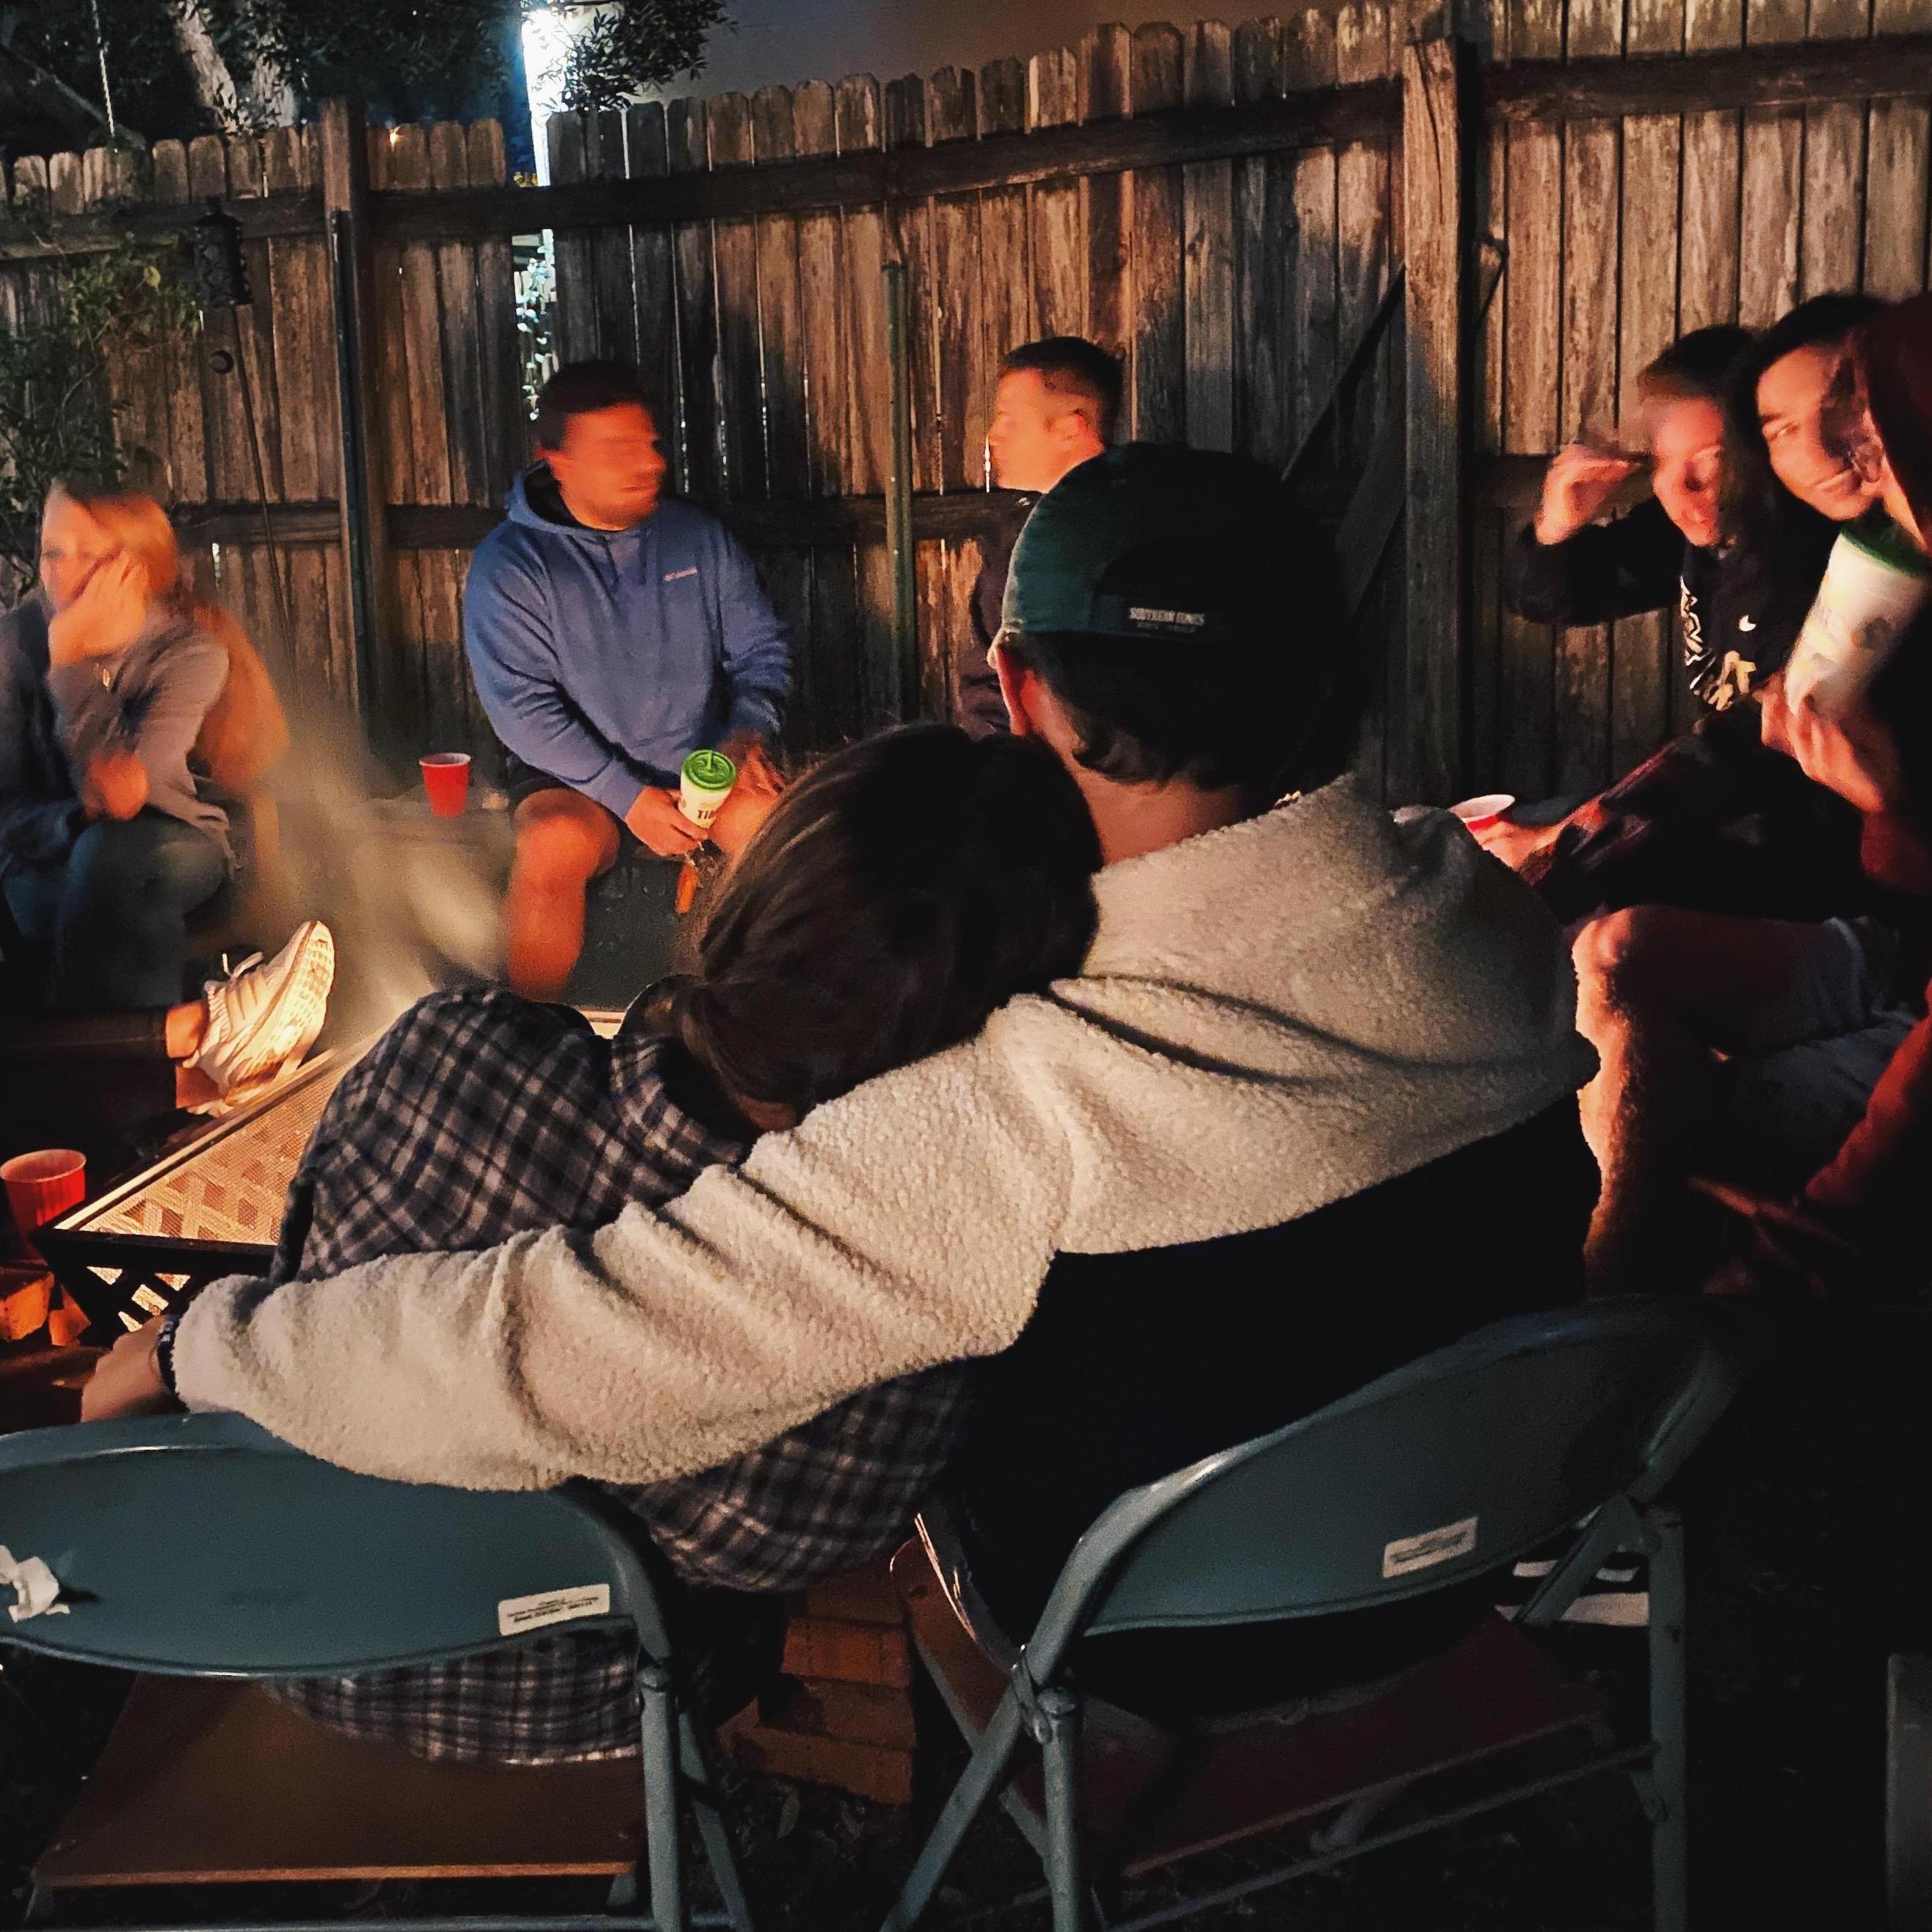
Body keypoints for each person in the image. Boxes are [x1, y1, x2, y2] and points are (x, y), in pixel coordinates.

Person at [88, 446, 1595, 1712]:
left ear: (1015, 684)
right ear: (1329, 680)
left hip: (1158, 1641)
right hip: (1460, 1558)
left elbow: (562, 1350)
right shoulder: (1484, 914)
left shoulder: (1017, 1100)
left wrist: (213, 1343)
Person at [255, 723, 1101, 1761]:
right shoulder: (901, 1346)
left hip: (295, 1630)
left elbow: (291, 1278)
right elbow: (795, 1551)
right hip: (598, 1704)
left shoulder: (443, 1051)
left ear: (740, 907)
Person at [1570, 295, 1932, 1291]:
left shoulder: (1860, 555)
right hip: (1892, 935)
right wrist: (1578, 840)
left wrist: (1796, 1244)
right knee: (1609, 947)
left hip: (1868, 930)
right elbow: (1739, 739)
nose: (1831, 449)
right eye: (1777, 428)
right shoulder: (1875, 567)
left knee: (1658, 1115)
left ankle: (1618, 1304)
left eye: (1858, 408)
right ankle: (1614, 1287)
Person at [0, 482, 333, 1116]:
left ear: (134, 567)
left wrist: (71, 665)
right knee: (91, 868)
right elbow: (8, 802)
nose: (61, 571)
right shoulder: (13, 643)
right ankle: (189, 1058)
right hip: (43, 857)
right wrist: (69, 824)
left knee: (112, 859)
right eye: (50, 552)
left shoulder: (187, 650)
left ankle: (136, 1096)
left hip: (177, 844)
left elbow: (129, 793)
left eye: (85, 556)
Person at [465, 360, 792, 998]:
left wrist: (747, 734)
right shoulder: (510, 566)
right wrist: (629, 798)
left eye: (650, 445)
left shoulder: (697, 539)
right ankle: (527, 1033)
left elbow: (762, 653)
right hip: (576, 783)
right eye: (619, 450)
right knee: (552, 843)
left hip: (703, 764)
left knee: (778, 830)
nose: (649, 465)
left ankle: (780, 1031)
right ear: (557, 461)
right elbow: (523, 712)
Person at [1486, 325, 1838, 882]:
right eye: (1660, 463)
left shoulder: (1812, 559)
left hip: (1802, 848)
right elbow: (1552, 598)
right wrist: (1558, 525)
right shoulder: (1693, 536)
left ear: (1764, 448)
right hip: (1711, 811)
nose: (1682, 489)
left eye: (1713, 458)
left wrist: (1572, 837)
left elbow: (1753, 755)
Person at [955, 337, 1119, 737]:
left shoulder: (1123, 538)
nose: (993, 436)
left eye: (1010, 420)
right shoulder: (1018, 536)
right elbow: (987, 686)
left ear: (1070, 429)